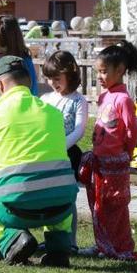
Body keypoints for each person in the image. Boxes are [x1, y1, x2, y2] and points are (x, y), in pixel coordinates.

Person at [0, 55, 78, 267]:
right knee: (56, 198)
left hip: (17, 205)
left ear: (0, 85)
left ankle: (12, 240)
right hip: (62, 204)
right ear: (29, 82)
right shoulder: (53, 114)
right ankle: (59, 249)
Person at [78, 40, 137, 260]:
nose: (100, 76)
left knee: (116, 206)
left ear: (120, 70)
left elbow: (132, 131)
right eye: (98, 72)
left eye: (104, 71)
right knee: (99, 205)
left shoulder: (123, 100)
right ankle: (104, 245)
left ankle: (122, 248)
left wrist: (127, 154)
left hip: (116, 163)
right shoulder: (105, 97)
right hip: (100, 162)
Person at [40, 50, 88, 251]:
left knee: (67, 197)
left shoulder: (78, 101)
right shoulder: (45, 98)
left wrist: (61, 146)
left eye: (57, 79)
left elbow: (79, 130)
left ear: (71, 76)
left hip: (67, 155)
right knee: (47, 197)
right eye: (49, 79)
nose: (53, 83)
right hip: (46, 155)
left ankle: (70, 241)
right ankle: (50, 238)